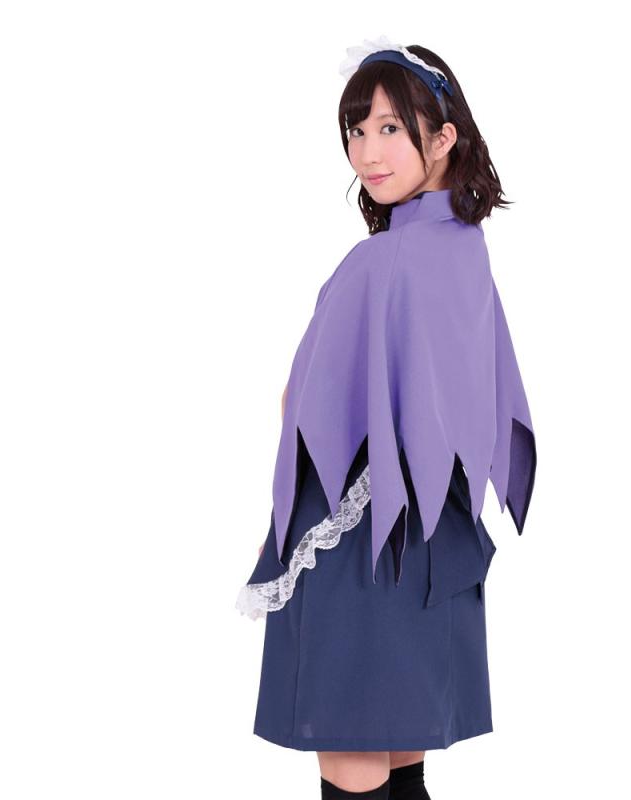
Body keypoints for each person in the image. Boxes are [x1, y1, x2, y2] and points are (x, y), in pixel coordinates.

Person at [236, 37, 537, 800]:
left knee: (353, 762)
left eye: (391, 128)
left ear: (443, 138)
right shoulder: (465, 251)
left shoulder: (380, 262)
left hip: (358, 548)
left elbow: (302, 406)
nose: (367, 152)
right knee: (402, 761)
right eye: (356, 129)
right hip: (433, 540)